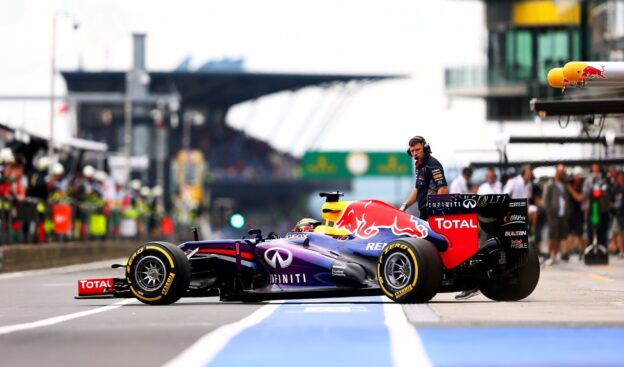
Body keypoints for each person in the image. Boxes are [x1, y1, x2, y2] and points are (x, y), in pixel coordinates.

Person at [399, 136, 448, 219]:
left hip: (432, 213)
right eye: (412, 151)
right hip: (424, 212)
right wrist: (404, 206)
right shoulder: (419, 166)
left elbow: (443, 189)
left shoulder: (433, 165)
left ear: (425, 149)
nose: (415, 153)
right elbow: (417, 188)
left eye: (417, 150)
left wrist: (436, 212)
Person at [542, 164, 570, 265]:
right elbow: (545, 201)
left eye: (563, 172)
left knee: (559, 236)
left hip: (562, 214)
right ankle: (549, 255)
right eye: (560, 171)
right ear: (556, 172)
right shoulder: (550, 184)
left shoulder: (564, 185)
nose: (562, 173)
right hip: (553, 215)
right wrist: (550, 212)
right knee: (552, 236)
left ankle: (554, 255)